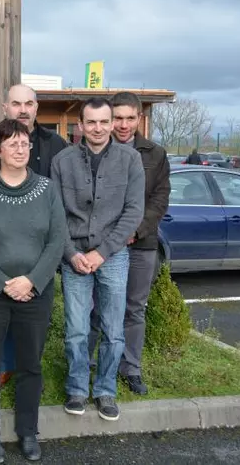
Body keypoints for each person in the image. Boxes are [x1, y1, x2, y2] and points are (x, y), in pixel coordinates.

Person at [0, 119, 66, 462]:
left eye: (25, 143)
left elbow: (56, 241)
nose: (21, 149)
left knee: (30, 365)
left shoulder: (47, 189)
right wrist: (2, 284)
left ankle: (27, 431)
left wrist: (32, 281)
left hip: (34, 294)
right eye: (12, 144)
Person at [51, 98, 145, 422]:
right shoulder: (62, 161)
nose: (98, 128)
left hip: (113, 256)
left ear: (111, 123)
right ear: (80, 125)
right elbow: (56, 213)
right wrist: (72, 254)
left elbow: (133, 212)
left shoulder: (131, 160)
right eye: (91, 122)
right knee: (76, 329)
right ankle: (77, 388)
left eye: (104, 122)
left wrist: (102, 252)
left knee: (113, 329)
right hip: (73, 256)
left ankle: (105, 391)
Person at [0, 83, 67, 387]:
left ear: (37, 108)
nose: (23, 109)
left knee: (30, 322)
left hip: (40, 248)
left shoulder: (57, 145)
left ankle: (26, 369)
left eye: (29, 103)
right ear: (5, 107)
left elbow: (59, 206)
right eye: (16, 103)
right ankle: (2, 367)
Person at [87, 92, 170, 395]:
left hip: (139, 243)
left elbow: (160, 199)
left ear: (139, 119)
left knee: (134, 308)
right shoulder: (94, 151)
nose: (123, 125)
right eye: (117, 118)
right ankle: (87, 362)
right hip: (100, 246)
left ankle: (129, 367)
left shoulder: (155, 155)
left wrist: (135, 230)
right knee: (97, 308)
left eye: (129, 118)